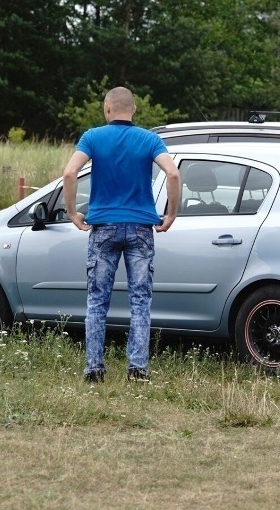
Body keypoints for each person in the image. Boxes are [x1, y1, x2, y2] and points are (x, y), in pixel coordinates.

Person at [62, 87, 181, 383]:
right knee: (140, 300)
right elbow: (174, 174)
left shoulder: (92, 138)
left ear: (107, 108)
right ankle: (137, 369)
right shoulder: (150, 139)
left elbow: (69, 174)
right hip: (141, 227)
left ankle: (94, 369)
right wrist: (170, 214)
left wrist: (74, 213)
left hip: (103, 227)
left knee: (97, 300)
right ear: (134, 110)